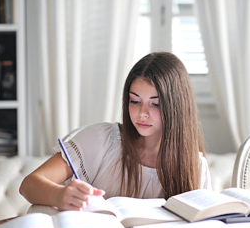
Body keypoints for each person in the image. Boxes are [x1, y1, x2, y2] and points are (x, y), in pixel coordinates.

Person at [19, 51, 212, 211]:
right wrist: (60, 195)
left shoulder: (195, 166)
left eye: (155, 104)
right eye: (135, 101)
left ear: (176, 107)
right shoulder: (102, 140)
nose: (142, 114)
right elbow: (28, 185)